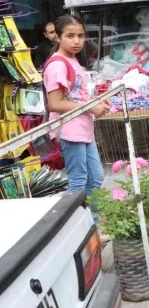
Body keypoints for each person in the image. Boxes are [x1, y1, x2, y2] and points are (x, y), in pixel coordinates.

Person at [43, 15, 109, 199]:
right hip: (69, 130)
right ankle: (78, 225)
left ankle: (91, 223)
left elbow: (76, 94)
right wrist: (91, 107)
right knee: (78, 182)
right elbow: (55, 103)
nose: (77, 41)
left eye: (80, 36)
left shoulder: (72, 60)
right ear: (58, 37)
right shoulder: (57, 65)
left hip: (82, 128)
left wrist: (97, 101)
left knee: (95, 178)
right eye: (70, 36)